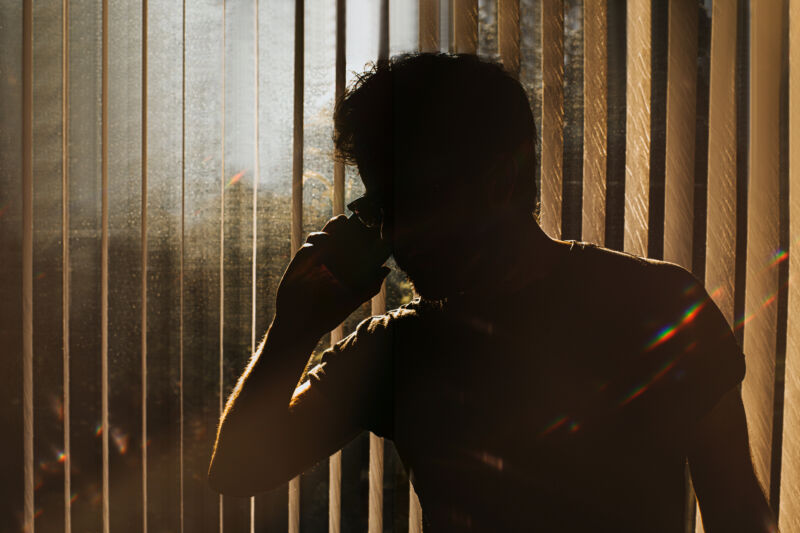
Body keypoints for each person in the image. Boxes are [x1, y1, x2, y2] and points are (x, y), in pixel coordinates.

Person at [208, 53, 777, 531]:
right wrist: (295, 326)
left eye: (410, 200)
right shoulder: (396, 349)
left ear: (500, 179)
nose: (394, 235)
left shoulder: (656, 307)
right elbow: (238, 471)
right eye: (380, 210)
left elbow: (738, 513)